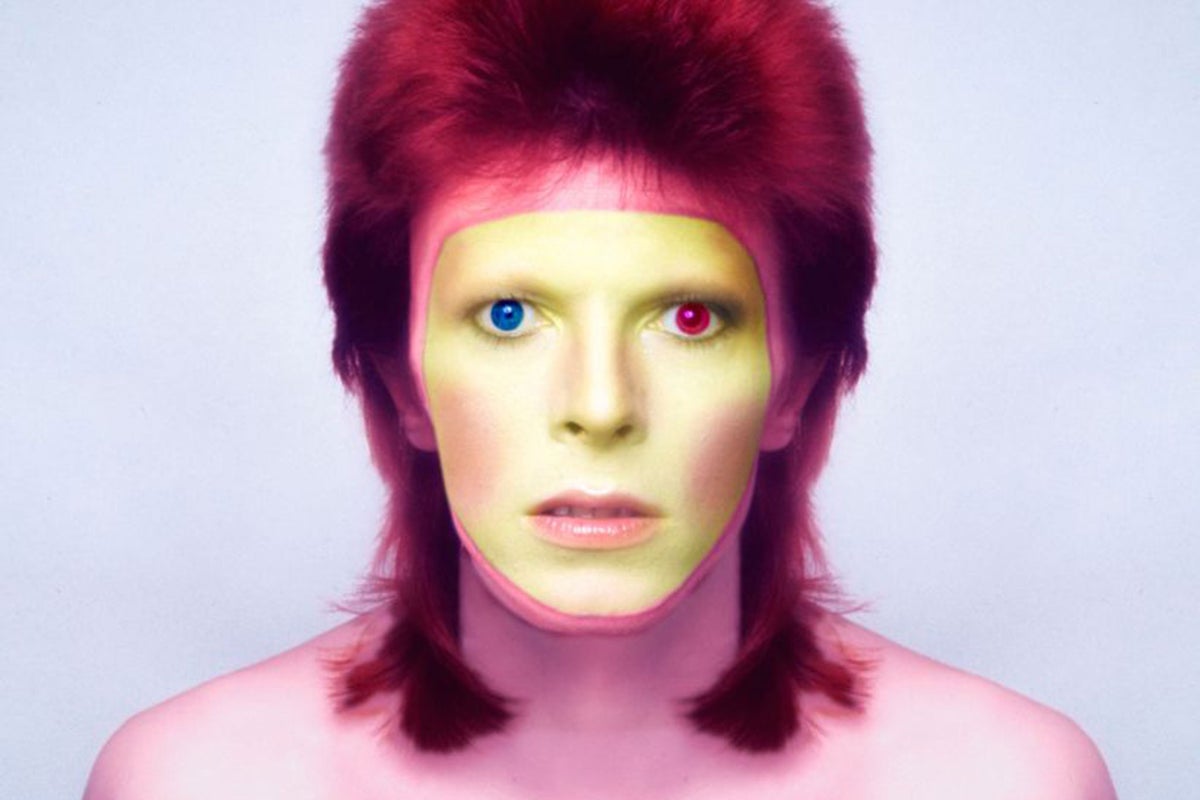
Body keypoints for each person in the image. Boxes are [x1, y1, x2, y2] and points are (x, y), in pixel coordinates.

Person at [85, 0, 1117, 797]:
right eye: (508, 316)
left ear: (796, 382)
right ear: (402, 381)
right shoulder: (191, 780)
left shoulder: (1007, 781)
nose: (601, 404)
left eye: (689, 318)